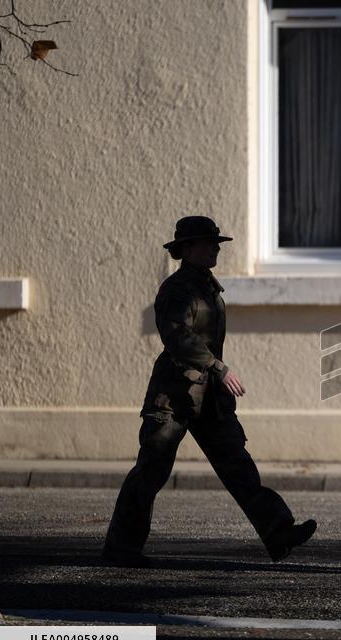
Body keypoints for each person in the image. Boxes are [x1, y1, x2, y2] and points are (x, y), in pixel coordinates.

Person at [102, 216, 317, 568]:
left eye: (216, 241)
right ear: (186, 249)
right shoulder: (177, 289)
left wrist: (215, 377)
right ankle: (121, 548)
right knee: (151, 470)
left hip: (208, 398)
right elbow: (178, 337)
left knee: (238, 465)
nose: (217, 247)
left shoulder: (207, 287)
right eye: (208, 242)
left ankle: (278, 532)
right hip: (175, 395)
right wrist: (218, 368)